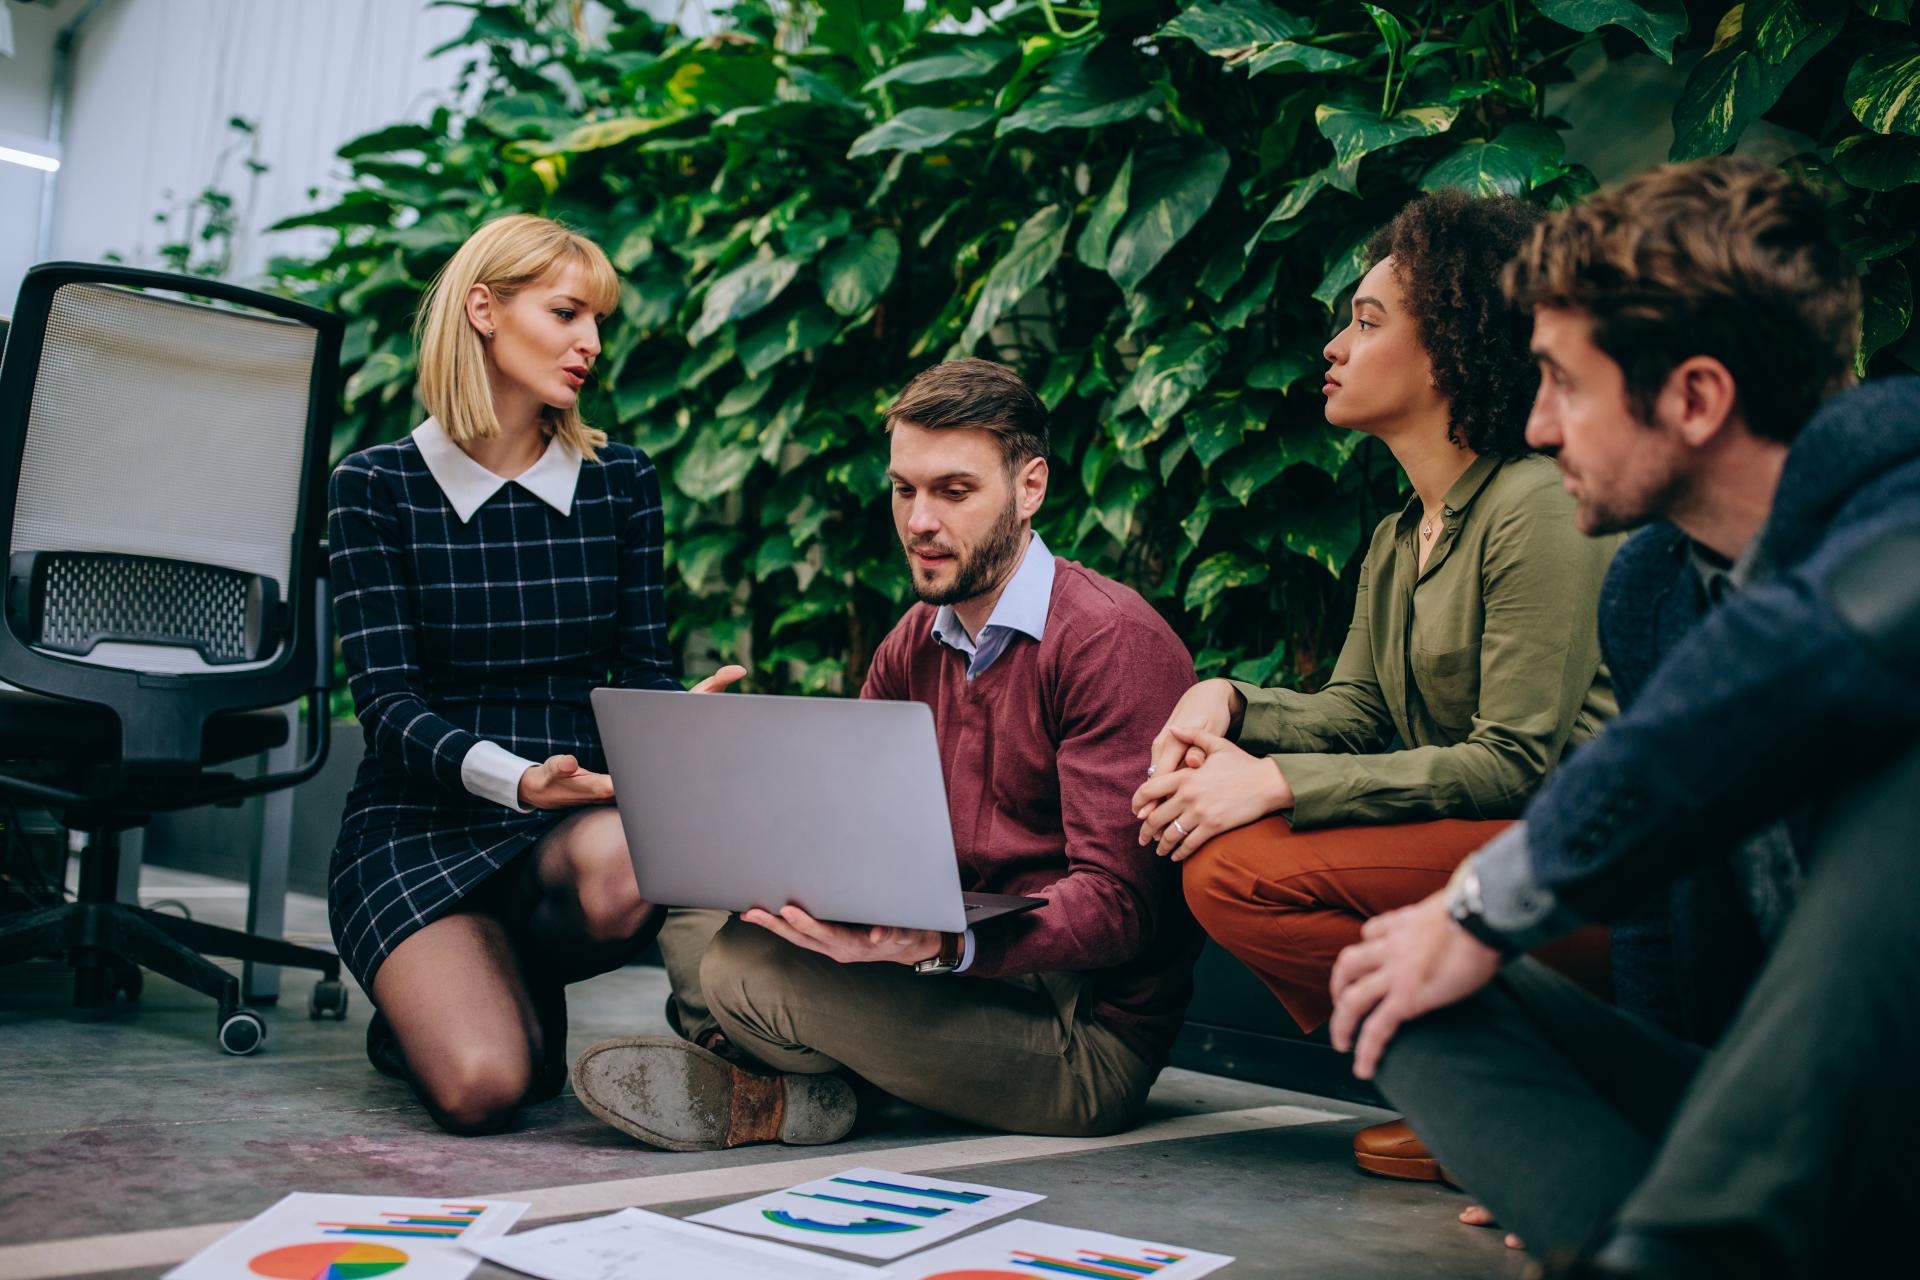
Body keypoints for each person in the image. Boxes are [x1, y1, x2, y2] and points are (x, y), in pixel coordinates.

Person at [1328, 157, 1920, 1275]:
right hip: (1761, 1118)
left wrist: (1487, 899)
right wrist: (1621, 1139)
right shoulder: (1651, 588)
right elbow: (1658, 919)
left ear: (1695, 398)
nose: (1539, 424)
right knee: (1394, 989)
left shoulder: (1902, 493)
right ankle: (1661, 1230)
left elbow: (1799, 651)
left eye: (1565, 383)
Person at [568, 358, 1202, 1150]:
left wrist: (941, 943)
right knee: (692, 890)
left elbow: (1122, 909)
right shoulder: (914, 642)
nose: (919, 522)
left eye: (953, 491)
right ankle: (783, 1069)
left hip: (1076, 1035)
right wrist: (720, 798)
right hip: (930, 964)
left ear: (1030, 488)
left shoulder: (1110, 642)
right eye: (905, 490)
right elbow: (856, 833)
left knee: (742, 971)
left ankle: (768, 1076)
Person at [1132, 191, 1617, 1187]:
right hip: (1482, 842)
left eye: (1366, 321)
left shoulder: (1533, 506)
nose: (1334, 345)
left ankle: (1511, 1091)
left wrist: (1275, 782)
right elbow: (1357, 713)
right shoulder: (1401, 535)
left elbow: (1517, 762)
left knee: (1240, 869)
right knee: (1220, 861)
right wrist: (1229, 699)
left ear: (1448, 350)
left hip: (1580, 868)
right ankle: (1487, 1088)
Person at [327, 214, 740, 1135]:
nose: (590, 342)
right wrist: (515, 779)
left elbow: (641, 670)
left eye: (598, 321)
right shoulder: (375, 486)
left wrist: (680, 720)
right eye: (565, 313)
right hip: (418, 826)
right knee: (488, 1089)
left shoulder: (621, 481)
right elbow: (388, 707)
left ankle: (502, 972)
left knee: (634, 862)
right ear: (484, 310)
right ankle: (448, 994)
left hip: (568, 828)